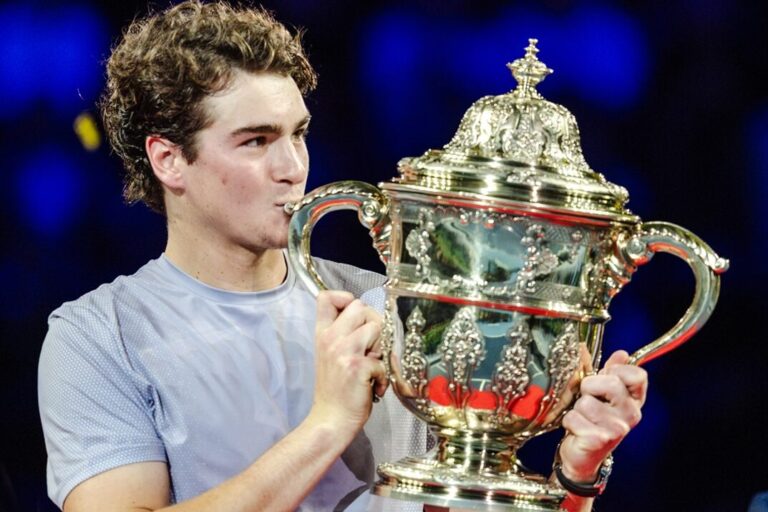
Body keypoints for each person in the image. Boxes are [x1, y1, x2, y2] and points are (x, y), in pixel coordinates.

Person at [37, 1, 648, 511]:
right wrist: (327, 424)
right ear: (169, 160)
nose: (292, 168)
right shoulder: (97, 337)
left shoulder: (393, 304)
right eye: (255, 141)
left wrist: (574, 478)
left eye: (298, 134)